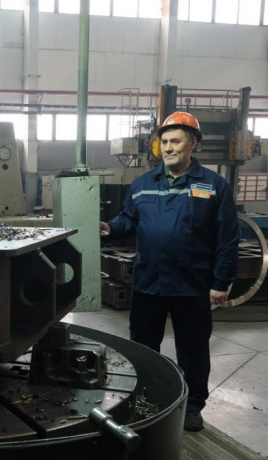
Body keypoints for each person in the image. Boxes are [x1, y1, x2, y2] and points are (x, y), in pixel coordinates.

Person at [100, 112, 240, 432]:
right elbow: (129, 219)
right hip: (148, 281)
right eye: (163, 142)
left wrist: (221, 282)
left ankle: (191, 406)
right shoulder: (143, 184)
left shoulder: (214, 185)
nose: (168, 148)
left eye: (175, 141)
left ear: (192, 143)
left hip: (192, 283)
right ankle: (146, 399)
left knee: (192, 350)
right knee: (142, 346)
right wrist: (110, 228)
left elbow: (228, 239)